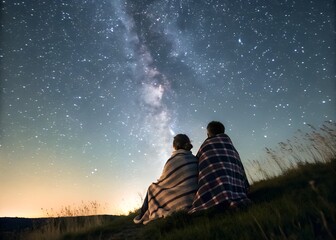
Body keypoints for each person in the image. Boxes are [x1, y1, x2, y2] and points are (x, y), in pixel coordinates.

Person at [134, 134, 198, 224]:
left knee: (152, 188)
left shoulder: (172, 160)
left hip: (181, 198)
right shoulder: (194, 159)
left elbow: (163, 182)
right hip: (193, 196)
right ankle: (142, 213)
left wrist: (159, 184)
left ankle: (141, 215)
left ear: (174, 146)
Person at [189, 121, 251, 214]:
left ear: (208, 133)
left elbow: (197, 162)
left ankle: (221, 199)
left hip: (216, 187)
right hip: (238, 188)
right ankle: (233, 196)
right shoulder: (231, 147)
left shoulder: (206, 145)